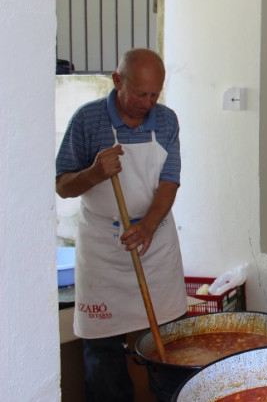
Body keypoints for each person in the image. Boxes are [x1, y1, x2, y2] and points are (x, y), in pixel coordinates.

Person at [56, 48, 185, 402]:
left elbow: (170, 181)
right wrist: (94, 173)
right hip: (103, 249)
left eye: (155, 94)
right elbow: (63, 185)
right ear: (117, 81)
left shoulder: (166, 121)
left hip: (154, 243)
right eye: (140, 94)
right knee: (102, 351)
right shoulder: (87, 120)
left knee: (170, 341)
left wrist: (148, 227)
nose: (148, 103)